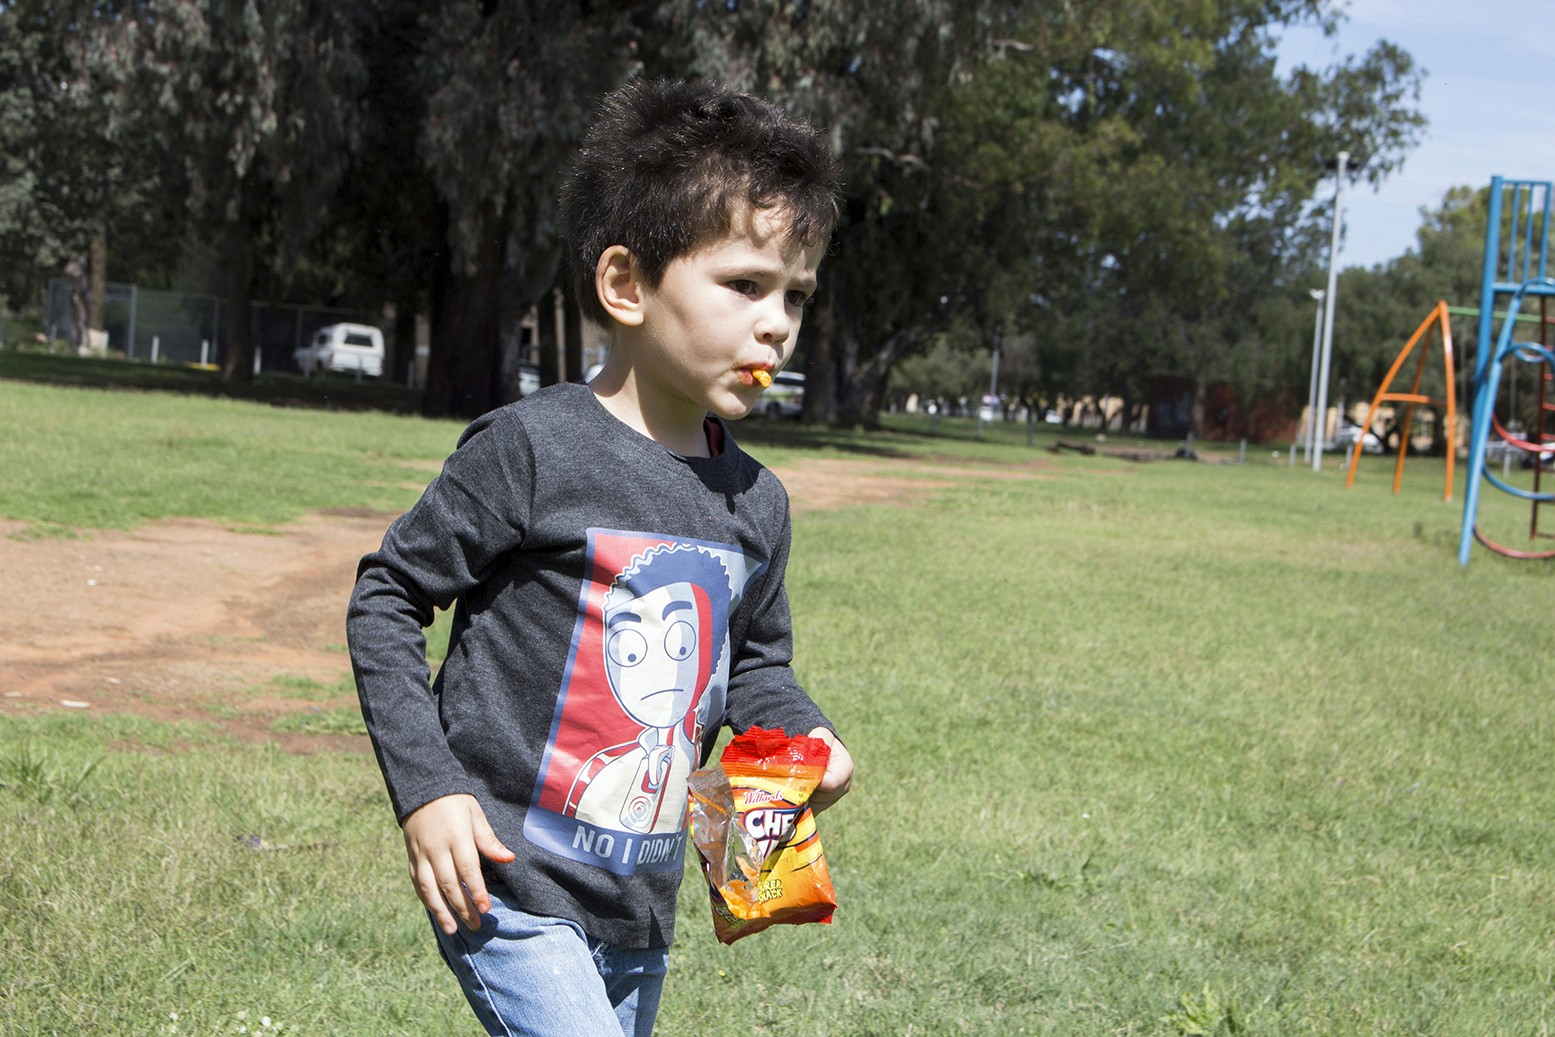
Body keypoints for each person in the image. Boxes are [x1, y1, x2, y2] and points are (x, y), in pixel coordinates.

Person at [346, 76, 854, 1037]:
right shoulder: (533, 448)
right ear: (626, 285)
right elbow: (387, 597)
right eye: (744, 283)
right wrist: (429, 789)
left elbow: (755, 665)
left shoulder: (757, 502)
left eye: (796, 294)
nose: (777, 322)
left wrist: (806, 736)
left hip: (638, 900)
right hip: (507, 879)